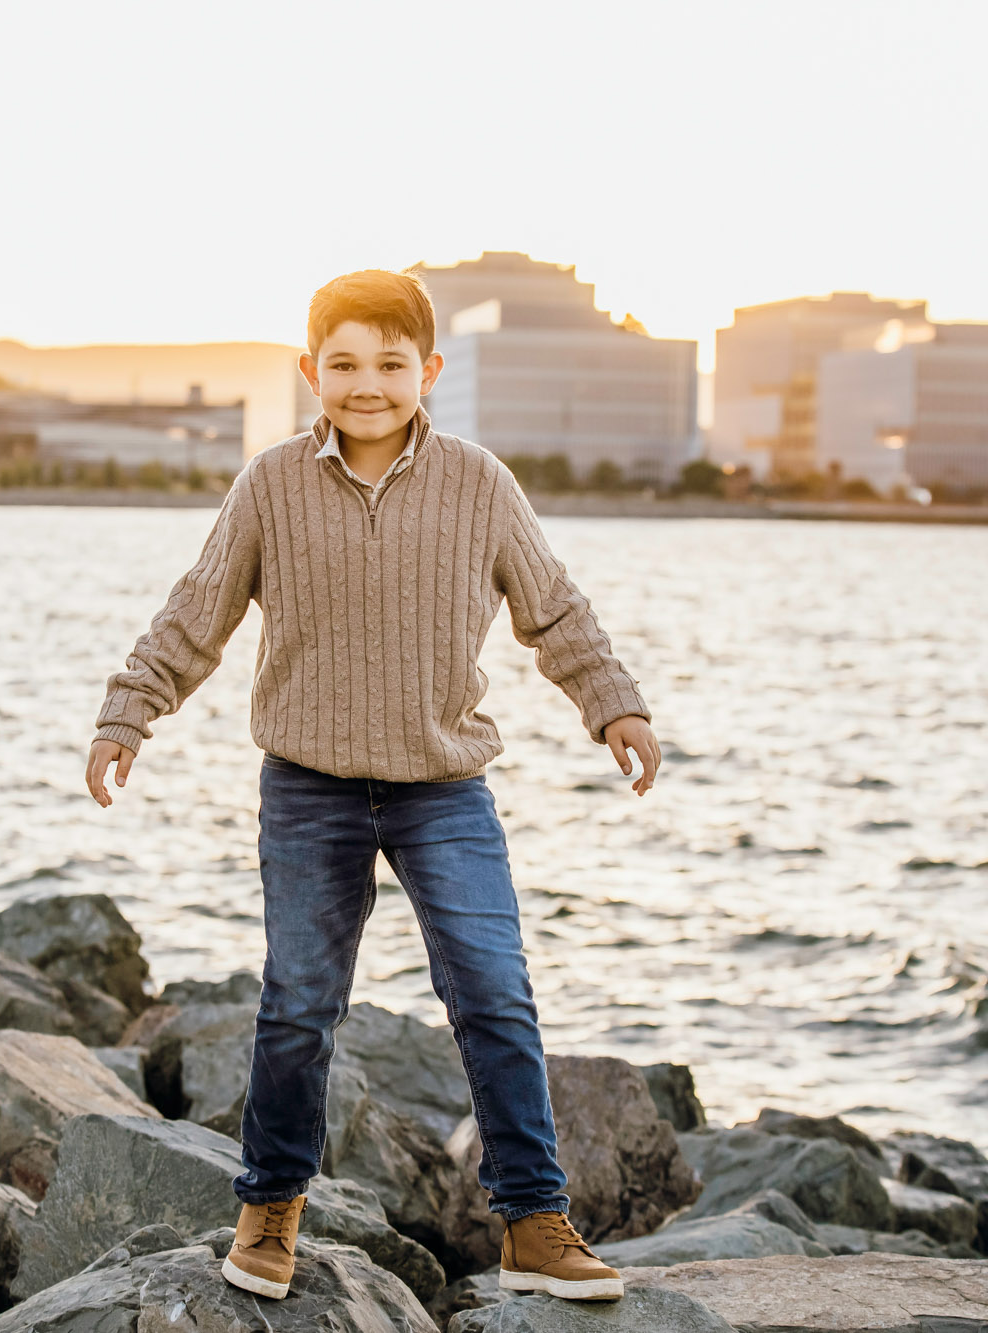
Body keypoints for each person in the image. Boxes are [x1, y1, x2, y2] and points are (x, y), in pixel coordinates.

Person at [86, 270, 660, 1303]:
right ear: (309, 372)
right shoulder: (269, 484)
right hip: (307, 786)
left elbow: (554, 610)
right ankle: (269, 1208)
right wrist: (129, 710)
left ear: (426, 372)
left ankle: (532, 1221)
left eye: (389, 365)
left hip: (443, 787)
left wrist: (612, 703)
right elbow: (197, 611)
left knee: (492, 992)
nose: (365, 384)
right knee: (300, 1003)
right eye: (342, 364)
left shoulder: (479, 482)